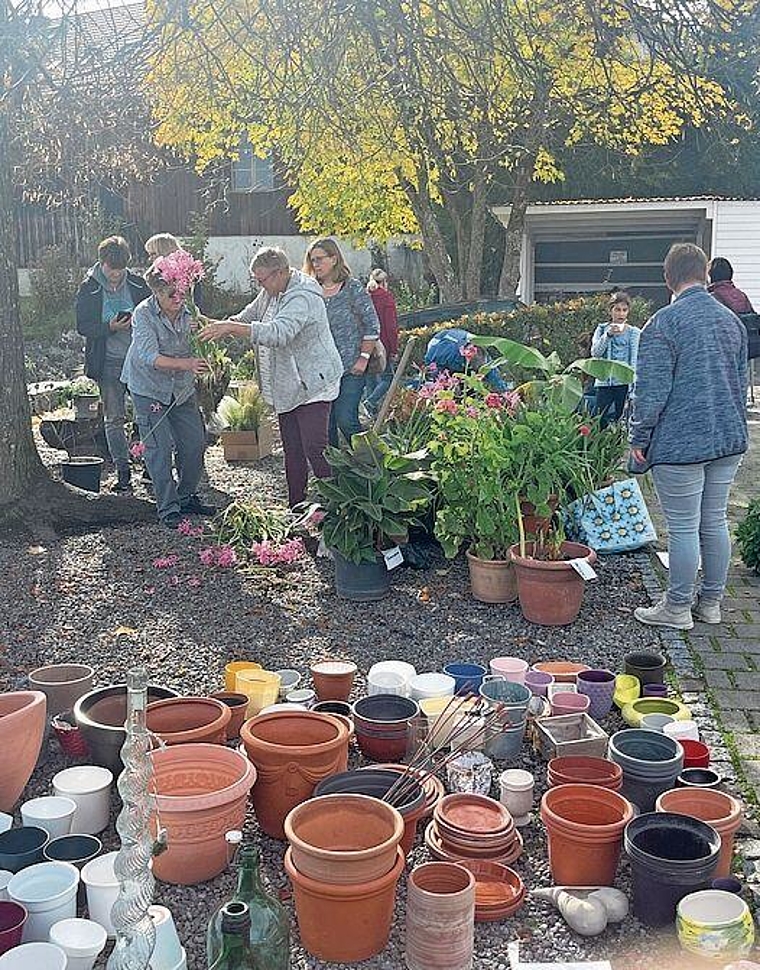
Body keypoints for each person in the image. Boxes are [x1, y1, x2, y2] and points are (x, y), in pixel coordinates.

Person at [630, 243, 748, 630]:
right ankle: (711, 603)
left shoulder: (663, 324)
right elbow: (740, 382)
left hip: (681, 441)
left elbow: (651, 393)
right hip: (728, 437)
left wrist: (639, 439)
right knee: (714, 521)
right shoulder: (732, 321)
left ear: (668, 277)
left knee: (682, 527)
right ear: (706, 273)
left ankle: (677, 608)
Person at [198, 247, 344, 507]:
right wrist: (213, 324)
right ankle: (296, 507)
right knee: (292, 449)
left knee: (315, 448)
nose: (259, 285)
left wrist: (232, 327)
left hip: (314, 382)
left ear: (280, 272)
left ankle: (339, 508)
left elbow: (279, 333)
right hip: (288, 383)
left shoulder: (303, 295)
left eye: (262, 279)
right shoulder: (271, 290)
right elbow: (249, 315)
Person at [120, 261, 215, 528]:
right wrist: (189, 364)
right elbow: (150, 357)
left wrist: (207, 337)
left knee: (195, 443)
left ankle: (186, 496)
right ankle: (168, 507)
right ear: (156, 293)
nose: (177, 298)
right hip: (149, 387)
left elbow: (203, 338)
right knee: (159, 448)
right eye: (169, 294)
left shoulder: (190, 312)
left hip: (181, 389)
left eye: (180, 291)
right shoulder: (143, 314)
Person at [75, 235, 150, 492]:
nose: (116, 275)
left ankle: (150, 465)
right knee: (114, 418)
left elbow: (153, 315)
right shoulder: (90, 287)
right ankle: (123, 470)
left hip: (139, 360)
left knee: (147, 414)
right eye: (111, 269)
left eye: (120, 270)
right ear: (102, 263)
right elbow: (82, 325)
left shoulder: (139, 285)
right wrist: (109, 327)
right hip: (107, 361)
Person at [303, 238, 380, 446]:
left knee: (346, 420)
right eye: (312, 260)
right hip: (321, 373)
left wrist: (363, 359)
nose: (315, 265)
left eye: (320, 259)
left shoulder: (352, 288)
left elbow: (372, 325)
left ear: (334, 259)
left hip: (351, 368)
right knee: (325, 427)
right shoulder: (309, 292)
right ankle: (334, 475)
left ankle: (370, 466)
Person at [590, 291, 640, 427]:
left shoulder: (633, 332)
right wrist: (608, 335)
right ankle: (598, 447)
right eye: (617, 310)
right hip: (604, 382)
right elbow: (595, 353)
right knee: (598, 419)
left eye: (624, 310)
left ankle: (618, 447)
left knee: (623, 420)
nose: (621, 314)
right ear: (610, 310)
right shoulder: (601, 329)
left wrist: (633, 386)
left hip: (624, 382)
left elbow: (634, 359)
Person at [424, 328, 508, 390]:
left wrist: (504, 392)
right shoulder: (448, 355)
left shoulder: (482, 352)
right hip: (440, 345)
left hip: (460, 341)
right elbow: (435, 368)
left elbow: (495, 378)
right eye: (477, 367)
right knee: (444, 386)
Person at [364, 269, 399, 415]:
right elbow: (390, 326)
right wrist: (394, 349)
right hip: (382, 344)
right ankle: (371, 402)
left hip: (365, 343)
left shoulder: (365, 296)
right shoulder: (386, 298)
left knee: (370, 378)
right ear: (384, 282)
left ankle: (371, 413)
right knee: (388, 378)